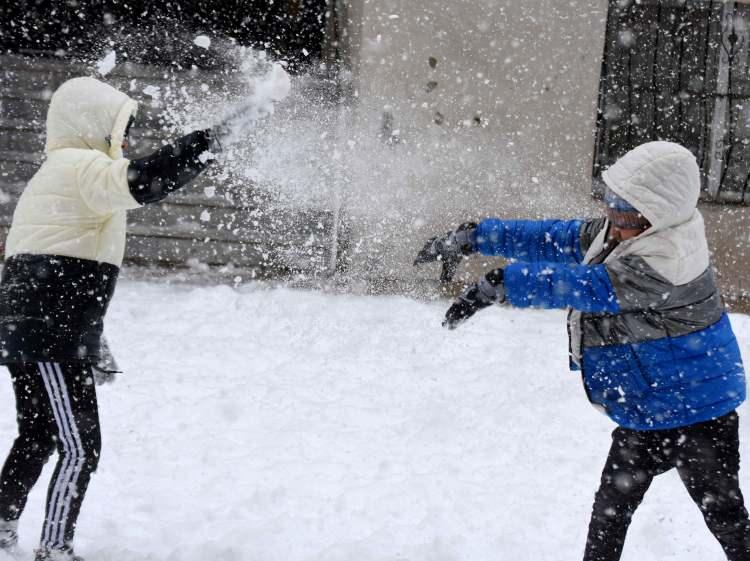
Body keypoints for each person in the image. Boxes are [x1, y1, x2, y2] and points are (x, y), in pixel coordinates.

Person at [415, 141, 750, 560]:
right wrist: (474, 236)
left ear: (658, 216)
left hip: (701, 411)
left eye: (625, 213)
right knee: (610, 512)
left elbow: (586, 287)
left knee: (725, 517)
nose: (613, 220)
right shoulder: (629, 232)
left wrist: (500, 284)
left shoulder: (667, 259)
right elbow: (556, 238)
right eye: (612, 204)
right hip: (650, 405)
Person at [0, 76, 219, 561]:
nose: (124, 143)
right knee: (81, 448)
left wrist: (91, 338)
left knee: (37, 434)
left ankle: (2, 528)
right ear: (92, 125)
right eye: (120, 131)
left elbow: (56, 267)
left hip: (36, 330)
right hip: (50, 336)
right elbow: (144, 180)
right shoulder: (83, 166)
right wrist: (204, 144)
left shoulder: (59, 170)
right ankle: (54, 548)